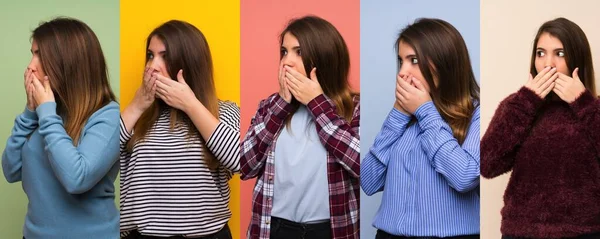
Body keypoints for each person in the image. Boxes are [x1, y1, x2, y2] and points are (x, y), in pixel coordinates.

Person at [240, 15, 360, 239]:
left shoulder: (354, 108)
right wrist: (281, 106)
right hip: (274, 229)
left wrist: (317, 104)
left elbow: (361, 164)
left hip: (330, 231)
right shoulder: (269, 107)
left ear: (323, 57)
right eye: (284, 52)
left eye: (299, 51)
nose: (287, 61)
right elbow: (245, 166)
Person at [361, 18, 481, 239]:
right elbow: (368, 181)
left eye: (414, 60)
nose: (402, 73)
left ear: (444, 62)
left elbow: (465, 178)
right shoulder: (403, 117)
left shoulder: (477, 115)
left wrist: (426, 111)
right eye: (401, 61)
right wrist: (398, 115)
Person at [481, 17, 600, 239]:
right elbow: (488, 164)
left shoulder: (594, 108)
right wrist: (526, 101)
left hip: (584, 232)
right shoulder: (517, 105)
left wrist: (583, 104)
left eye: (560, 53)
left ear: (578, 59)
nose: (548, 64)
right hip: (520, 232)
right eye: (541, 53)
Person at [119, 20, 239, 239]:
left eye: (165, 56)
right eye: (150, 55)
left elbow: (241, 160)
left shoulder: (224, 112)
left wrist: (190, 105)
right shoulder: (137, 117)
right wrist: (136, 106)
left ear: (189, 63)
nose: (152, 66)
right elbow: (100, 158)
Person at [2, 17, 120, 239]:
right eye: (32, 53)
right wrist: (30, 112)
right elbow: (10, 170)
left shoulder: (108, 116)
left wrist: (45, 113)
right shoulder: (46, 111)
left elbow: (77, 179)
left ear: (67, 62)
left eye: (40, 55)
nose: (30, 66)